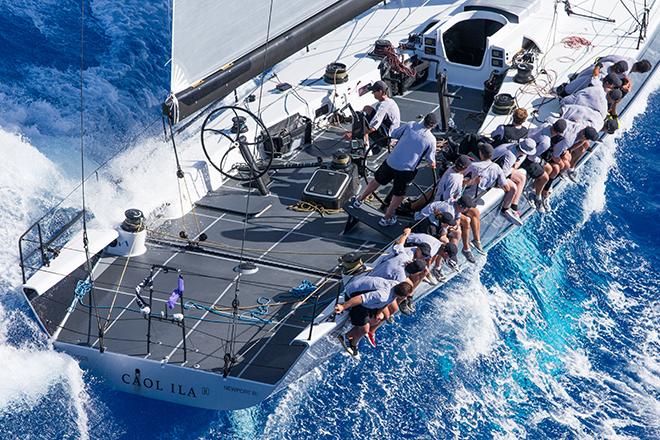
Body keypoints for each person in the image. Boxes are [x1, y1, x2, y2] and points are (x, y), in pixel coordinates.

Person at [351, 113, 438, 226]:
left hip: (391, 162)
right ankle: (386, 218)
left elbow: (394, 134)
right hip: (406, 170)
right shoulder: (431, 140)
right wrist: (433, 164)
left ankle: (359, 201)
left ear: (424, 120)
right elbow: (431, 160)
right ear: (434, 125)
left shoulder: (410, 125)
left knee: (377, 180)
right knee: (399, 194)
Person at [335, 276, 413, 355]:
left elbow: (390, 300)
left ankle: (357, 331)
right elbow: (360, 299)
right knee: (365, 330)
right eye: (406, 296)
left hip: (364, 293)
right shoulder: (383, 296)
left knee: (380, 317)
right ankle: (348, 339)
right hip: (353, 296)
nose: (406, 298)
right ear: (401, 296)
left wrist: (378, 312)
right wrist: (343, 307)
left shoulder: (396, 285)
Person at [344, 80, 400, 152]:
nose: (373, 93)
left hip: (386, 139)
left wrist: (354, 133)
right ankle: (365, 137)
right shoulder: (390, 101)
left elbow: (373, 127)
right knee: (367, 108)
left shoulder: (383, 106)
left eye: (374, 92)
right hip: (391, 132)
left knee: (364, 122)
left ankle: (366, 149)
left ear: (380, 91)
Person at [526, 119, 567, 212]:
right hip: (527, 157)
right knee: (545, 177)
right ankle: (536, 196)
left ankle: (534, 188)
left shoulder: (546, 125)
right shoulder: (546, 142)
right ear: (559, 133)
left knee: (549, 168)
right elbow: (532, 157)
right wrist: (541, 161)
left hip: (527, 144)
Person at [492, 138, 536, 224]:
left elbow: (513, 166)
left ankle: (514, 206)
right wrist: (512, 169)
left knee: (522, 178)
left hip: (502, 169)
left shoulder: (516, 149)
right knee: (513, 188)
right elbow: (502, 175)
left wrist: (513, 168)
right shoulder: (511, 156)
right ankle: (504, 210)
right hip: (494, 174)